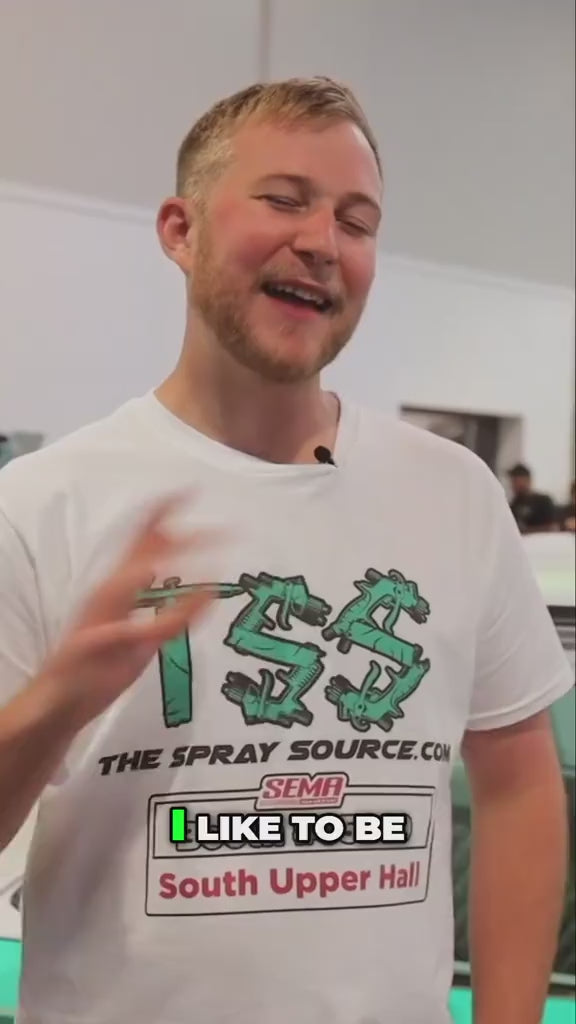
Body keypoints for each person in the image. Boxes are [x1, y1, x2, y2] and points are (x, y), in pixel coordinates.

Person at [0, 77, 572, 1024]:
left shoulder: (455, 495)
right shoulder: (42, 505)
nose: (323, 241)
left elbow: (517, 786)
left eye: (357, 220)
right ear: (180, 231)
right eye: (284, 199)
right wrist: (56, 704)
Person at [507, 462, 557, 534]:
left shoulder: (543, 501)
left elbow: (552, 527)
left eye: (516, 480)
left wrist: (525, 531)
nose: (513, 485)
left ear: (528, 480)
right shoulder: (513, 505)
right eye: (513, 481)